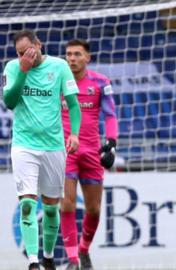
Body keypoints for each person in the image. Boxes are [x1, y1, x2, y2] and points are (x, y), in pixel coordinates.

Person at [2, 29, 81, 270]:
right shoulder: (13, 68)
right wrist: (23, 72)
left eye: (27, 51)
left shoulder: (59, 67)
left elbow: (74, 105)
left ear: (39, 44)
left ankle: (48, 256)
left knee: (49, 208)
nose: (23, 56)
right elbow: (10, 102)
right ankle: (33, 262)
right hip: (24, 145)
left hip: (54, 146)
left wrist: (75, 133)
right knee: (27, 203)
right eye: (19, 53)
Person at [60, 39, 118, 270]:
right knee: (67, 204)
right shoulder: (58, 82)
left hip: (92, 151)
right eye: (68, 54)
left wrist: (111, 143)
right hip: (65, 151)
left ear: (87, 58)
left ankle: (83, 250)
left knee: (94, 209)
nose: (72, 58)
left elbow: (110, 115)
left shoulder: (101, 82)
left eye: (77, 54)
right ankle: (73, 260)